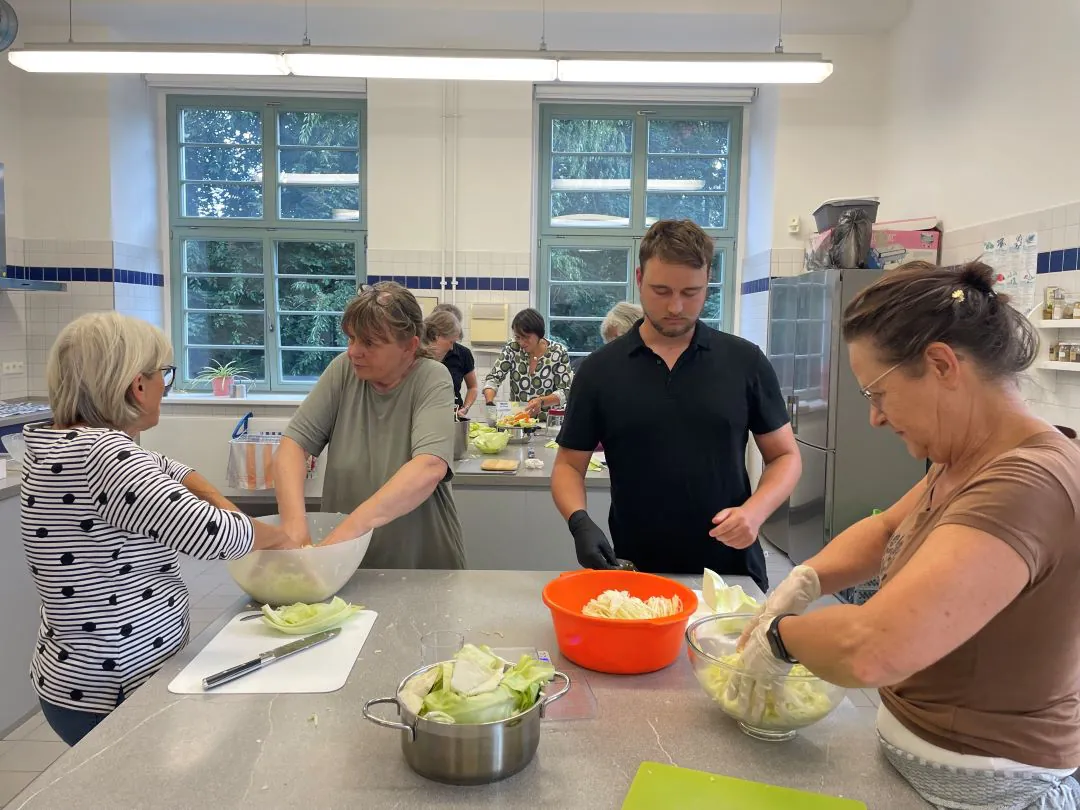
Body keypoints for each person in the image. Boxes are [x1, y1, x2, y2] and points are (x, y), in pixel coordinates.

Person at [735, 261, 1080, 809]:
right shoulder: (969, 458)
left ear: (941, 365)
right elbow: (887, 528)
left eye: (878, 393)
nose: (874, 417)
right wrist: (806, 580)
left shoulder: (1025, 483)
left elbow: (873, 648)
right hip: (931, 773)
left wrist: (779, 638)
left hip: (987, 792)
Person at [22, 313, 297, 746]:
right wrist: (283, 537)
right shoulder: (104, 454)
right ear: (137, 385)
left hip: (70, 673)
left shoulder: (61, 441)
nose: (164, 389)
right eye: (163, 376)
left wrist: (222, 501)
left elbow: (168, 468)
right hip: (112, 686)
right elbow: (212, 534)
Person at [551, 220, 801, 590]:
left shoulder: (744, 362)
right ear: (639, 279)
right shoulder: (599, 370)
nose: (675, 306)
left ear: (708, 281)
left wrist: (755, 511)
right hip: (637, 571)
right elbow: (569, 465)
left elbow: (785, 456)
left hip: (731, 572)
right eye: (661, 290)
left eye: (691, 292)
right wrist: (579, 522)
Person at [274, 282, 465, 568]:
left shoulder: (432, 377)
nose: (354, 351)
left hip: (419, 561)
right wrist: (294, 528)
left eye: (369, 343)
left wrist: (346, 533)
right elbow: (293, 445)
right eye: (351, 338)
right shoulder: (343, 370)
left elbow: (429, 466)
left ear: (409, 346)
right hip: (346, 560)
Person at [482, 308, 574, 417]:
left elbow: (565, 391)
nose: (521, 342)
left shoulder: (558, 352)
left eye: (526, 337)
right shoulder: (512, 348)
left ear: (539, 333)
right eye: (518, 337)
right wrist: (489, 403)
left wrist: (541, 401)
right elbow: (494, 378)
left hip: (547, 421)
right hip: (517, 420)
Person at [425, 306, 478, 418]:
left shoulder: (463, 353)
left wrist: (465, 408)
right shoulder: (417, 356)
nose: (451, 347)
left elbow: (473, 387)